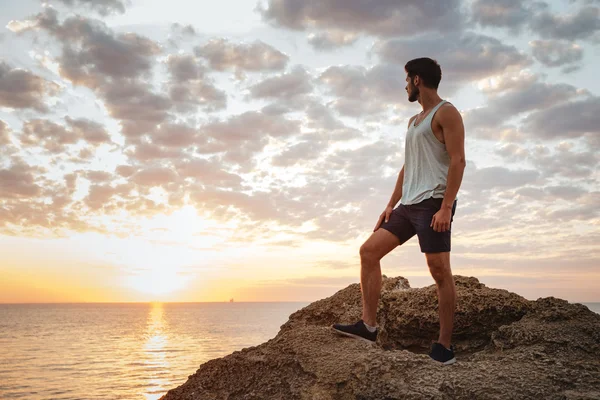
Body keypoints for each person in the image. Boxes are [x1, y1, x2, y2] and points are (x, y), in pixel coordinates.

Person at [332, 57, 466, 365]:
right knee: (368, 251)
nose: (405, 85)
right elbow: (408, 167)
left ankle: (444, 346)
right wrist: (390, 204)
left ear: (417, 80)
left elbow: (458, 161)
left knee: (439, 270)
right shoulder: (413, 122)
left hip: (433, 202)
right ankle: (368, 326)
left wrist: (446, 207)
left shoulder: (447, 113)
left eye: (407, 80)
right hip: (408, 205)